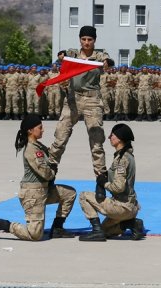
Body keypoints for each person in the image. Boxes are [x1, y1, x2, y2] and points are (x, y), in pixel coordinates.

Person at [0, 115, 77, 241]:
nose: (43, 130)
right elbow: (45, 173)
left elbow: (51, 156)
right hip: (33, 195)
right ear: (30, 130)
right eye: (40, 128)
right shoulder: (31, 150)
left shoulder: (38, 146)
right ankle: (1, 225)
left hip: (43, 190)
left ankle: (57, 228)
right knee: (35, 235)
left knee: (69, 193)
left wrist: (64, 139)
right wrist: (52, 170)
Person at [48, 25, 110, 201]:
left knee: (96, 141)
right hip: (73, 100)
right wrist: (61, 56)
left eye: (90, 39)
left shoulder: (99, 55)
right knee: (60, 137)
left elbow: (107, 62)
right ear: (80, 40)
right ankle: (49, 174)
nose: (86, 42)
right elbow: (62, 55)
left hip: (92, 100)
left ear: (94, 40)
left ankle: (100, 180)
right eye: (84, 39)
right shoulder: (73, 54)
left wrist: (106, 64)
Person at [78, 124, 144, 241]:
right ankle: (131, 224)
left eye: (112, 135)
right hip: (131, 206)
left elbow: (118, 187)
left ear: (119, 138)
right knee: (106, 231)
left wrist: (104, 183)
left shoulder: (122, 159)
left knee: (84, 196)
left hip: (121, 207)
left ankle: (96, 231)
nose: (109, 138)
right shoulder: (127, 156)